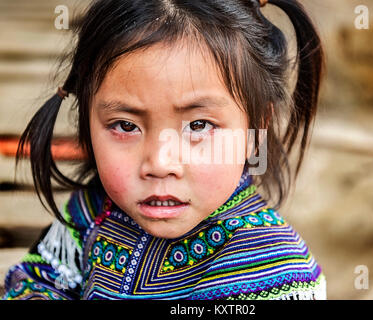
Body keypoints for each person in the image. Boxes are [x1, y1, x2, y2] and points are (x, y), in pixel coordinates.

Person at [3, 0, 326, 300]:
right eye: (125, 126)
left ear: (257, 130)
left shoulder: (272, 270)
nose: (159, 163)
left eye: (198, 126)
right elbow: (38, 280)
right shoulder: (92, 211)